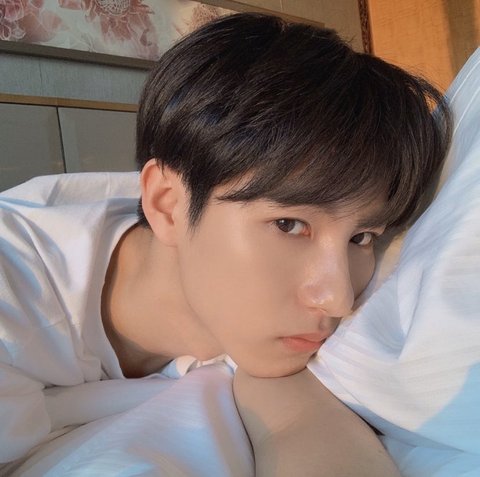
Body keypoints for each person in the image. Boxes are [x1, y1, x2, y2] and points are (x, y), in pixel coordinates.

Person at [0, 12, 450, 474]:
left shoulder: (235, 298)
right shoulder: (15, 285)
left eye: (361, 237)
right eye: (290, 225)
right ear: (167, 205)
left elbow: (300, 421)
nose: (337, 299)